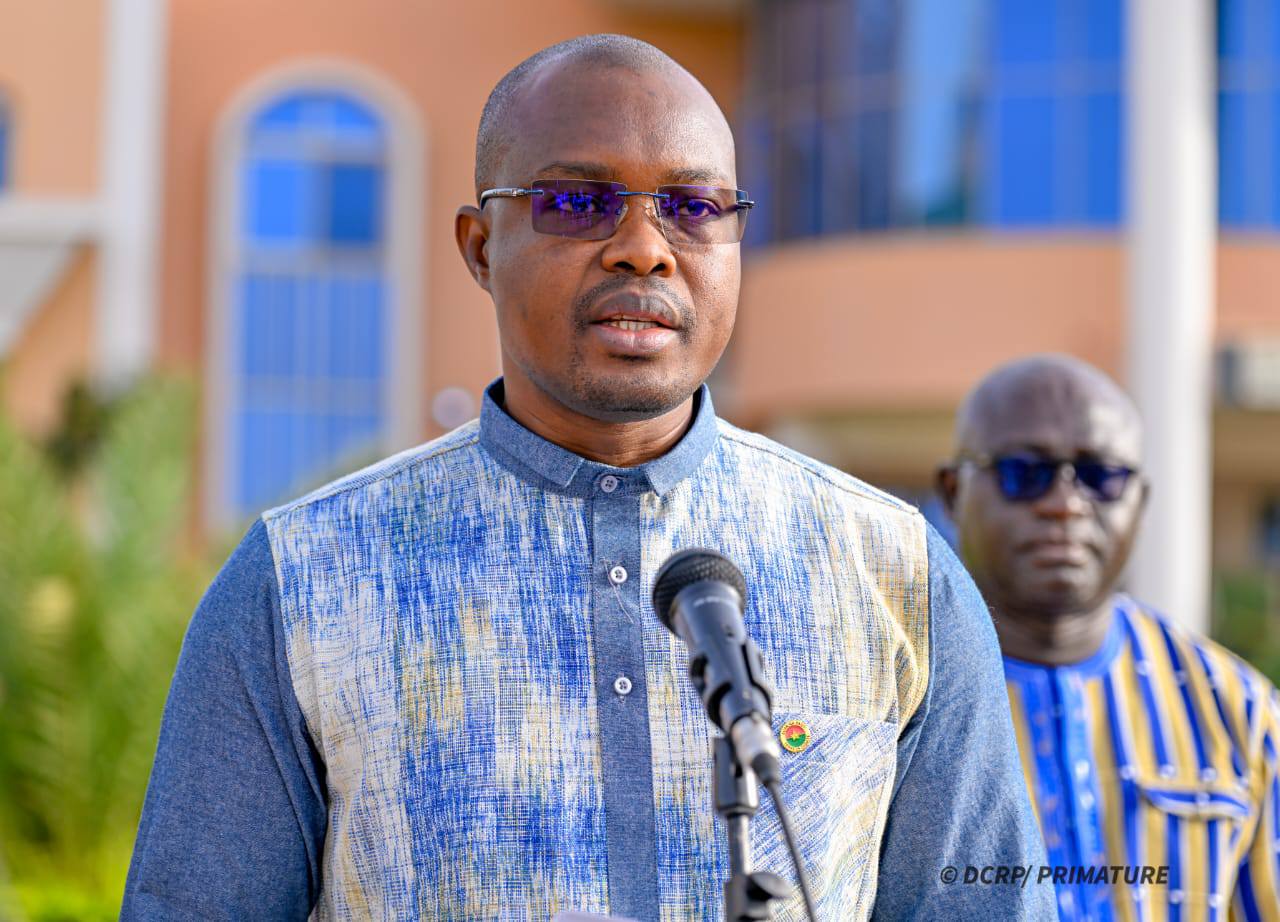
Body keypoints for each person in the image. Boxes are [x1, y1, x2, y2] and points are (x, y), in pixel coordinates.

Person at [122, 35, 1052, 920]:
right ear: (480, 247)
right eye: (577, 203)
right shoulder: (303, 581)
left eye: (694, 206)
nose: (645, 246)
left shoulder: (896, 577)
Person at [937, 353, 1280, 922]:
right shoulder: (895, 702)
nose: (1064, 504)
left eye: (1101, 476)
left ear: (1139, 502)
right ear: (953, 492)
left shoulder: (1238, 711)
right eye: (1023, 472)